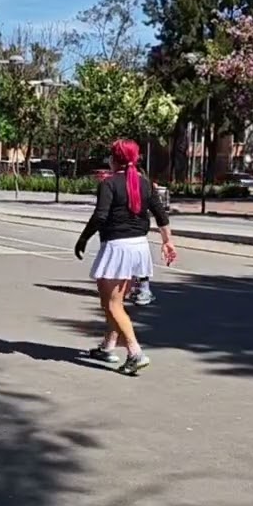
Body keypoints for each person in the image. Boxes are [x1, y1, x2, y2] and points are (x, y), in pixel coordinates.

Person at [74, 139, 178, 375]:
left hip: (117, 247)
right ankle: (108, 346)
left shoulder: (108, 184)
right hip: (138, 247)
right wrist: (167, 241)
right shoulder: (145, 184)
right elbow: (161, 216)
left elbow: (100, 216)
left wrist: (82, 238)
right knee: (114, 302)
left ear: (113, 159)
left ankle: (135, 352)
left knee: (111, 304)